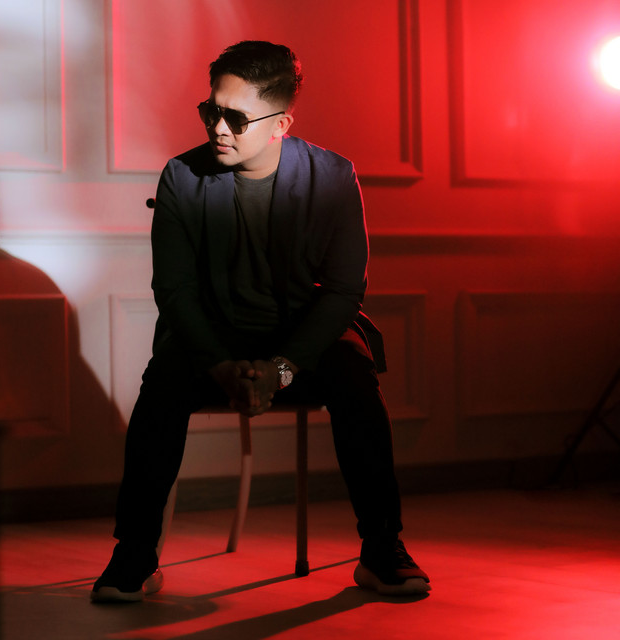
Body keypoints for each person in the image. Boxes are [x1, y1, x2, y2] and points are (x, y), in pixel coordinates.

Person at [91, 40, 430, 602]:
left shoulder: (333, 177)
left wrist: (281, 368)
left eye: (236, 117)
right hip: (211, 338)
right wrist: (219, 365)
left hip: (300, 342)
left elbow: (344, 291)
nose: (218, 128)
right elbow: (174, 291)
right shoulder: (182, 177)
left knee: (355, 377)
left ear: (281, 125)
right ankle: (134, 554)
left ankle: (381, 549)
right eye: (211, 110)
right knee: (163, 381)